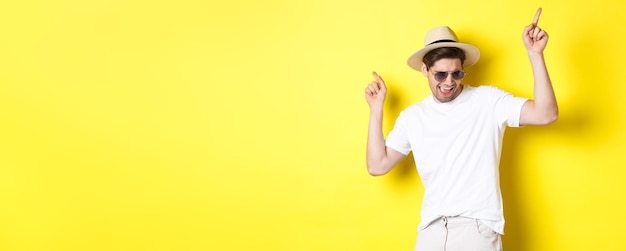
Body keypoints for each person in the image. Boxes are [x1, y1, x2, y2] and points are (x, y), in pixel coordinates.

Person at [364, 8, 557, 251]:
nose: (449, 82)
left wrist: (535, 55)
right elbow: (377, 165)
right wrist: (376, 108)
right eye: (440, 74)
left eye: (457, 73)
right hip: (431, 231)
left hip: (476, 229)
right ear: (425, 70)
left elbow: (546, 113)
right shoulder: (412, 117)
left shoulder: (488, 101)